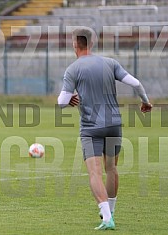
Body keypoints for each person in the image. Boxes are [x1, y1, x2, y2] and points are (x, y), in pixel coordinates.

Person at [57, 27, 152, 230]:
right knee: (111, 169)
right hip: (114, 125)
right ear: (91, 44)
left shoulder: (73, 69)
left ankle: (107, 217)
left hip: (91, 128)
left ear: (75, 44)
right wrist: (145, 102)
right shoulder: (110, 63)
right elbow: (136, 83)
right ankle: (111, 211)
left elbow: (62, 101)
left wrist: (70, 99)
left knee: (95, 172)